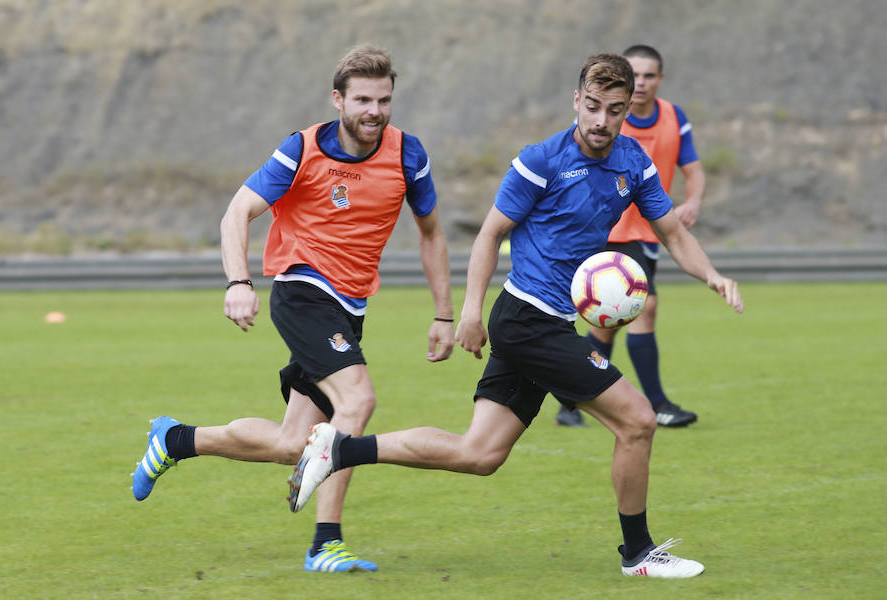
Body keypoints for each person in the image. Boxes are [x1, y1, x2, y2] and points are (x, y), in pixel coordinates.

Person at [287, 53, 743, 578]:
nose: (601, 120)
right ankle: (639, 554)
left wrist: (711, 275)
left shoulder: (633, 162)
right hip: (528, 320)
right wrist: (470, 312)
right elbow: (489, 235)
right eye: (593, 106)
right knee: (638, 420)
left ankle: (341, 450)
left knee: (479, 454)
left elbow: (673, 233)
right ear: (576, 101)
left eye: (614, 110)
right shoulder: (540, 161)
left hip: (548, 323)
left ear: (626, 110)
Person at [129, 44, 455, 573]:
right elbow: (237, 212)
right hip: (303, 291)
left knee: (292, 444)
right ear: (338, 100)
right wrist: (239, 282)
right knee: (358, 400)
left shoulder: (407, 155)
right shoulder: (301, 149)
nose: (374, 111)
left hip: (350, 307)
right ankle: (326, 543)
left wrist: (444, 313)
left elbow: (432, 234)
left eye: (384, 100)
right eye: (363, 100)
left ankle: (175, 439)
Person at [556, 44, 707, 428]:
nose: (641, 82)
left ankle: (569, 402)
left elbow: (693, 169)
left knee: (605, 323)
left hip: (650, 232)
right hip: (614, 231)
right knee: (645, 305)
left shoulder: (674, 117)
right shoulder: (606, 123)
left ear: (660, 79)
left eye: (648, 75)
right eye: (634, 75)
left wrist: (692, 201)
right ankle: (657, 403)